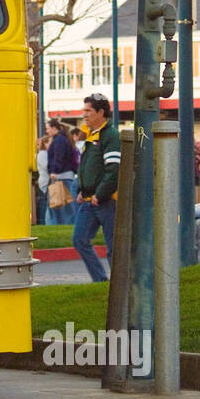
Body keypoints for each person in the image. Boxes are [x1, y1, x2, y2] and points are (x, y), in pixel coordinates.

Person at [73, 93, 121, 281]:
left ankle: (119, 286)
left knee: (113, 248)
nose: (84, 115)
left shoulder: (110, 135)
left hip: (107, 201)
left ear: (101, 112)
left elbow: (114, 170)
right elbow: (86, 167)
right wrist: (81, 191)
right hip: (89, 200)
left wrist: (100, 194)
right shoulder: (92, 135)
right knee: (79, 239)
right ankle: (100, 281)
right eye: (84, 110)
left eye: (88, 111)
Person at [45, 118, 76, 224]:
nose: (47, 131)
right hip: (65, 175)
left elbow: (59, 157)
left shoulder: (58, 141)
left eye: (48, 128)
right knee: (66, 205)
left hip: (60, 176)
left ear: (54, 128)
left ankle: (61, 224)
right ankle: (66, 224)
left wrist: (54, 171)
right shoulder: (62, 139)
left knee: (60, 205)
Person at [35, 135, 50, 224]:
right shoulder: (43, 154)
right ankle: (44, 222)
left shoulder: (42, 153)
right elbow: (46, 166)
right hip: (45, 181)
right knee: (45, 204)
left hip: (44, 180)